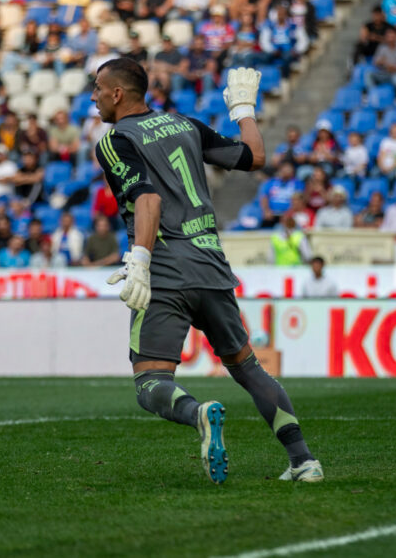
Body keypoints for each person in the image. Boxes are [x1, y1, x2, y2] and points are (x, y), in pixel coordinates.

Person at [92, 58, 322, 484]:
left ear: (117, 93)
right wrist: (244, 112)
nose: (94, 96)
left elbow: (149, 201)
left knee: (150, 384)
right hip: (212, 265)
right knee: (248, 367)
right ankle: (304, 461)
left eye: (98, 89)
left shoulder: (115, 140)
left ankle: (199, 414)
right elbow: (253, 157)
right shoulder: (184, 124)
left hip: (164, 268)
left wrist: (140, 259)